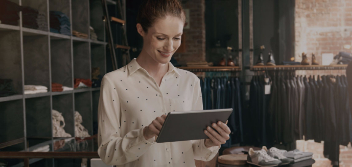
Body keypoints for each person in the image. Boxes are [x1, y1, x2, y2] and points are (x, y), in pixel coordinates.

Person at [97, 0, 231, 166]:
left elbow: (196, 150)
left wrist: (210, 142)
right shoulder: (114, 82)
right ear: (141, 30)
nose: (170, 46)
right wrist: (144, 135)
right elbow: (108, 154)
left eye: (177, 38)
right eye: (161, 38)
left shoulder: (190, 82)